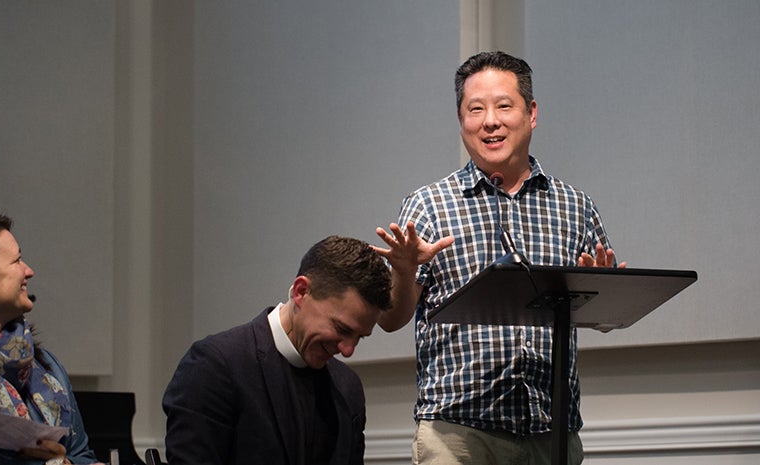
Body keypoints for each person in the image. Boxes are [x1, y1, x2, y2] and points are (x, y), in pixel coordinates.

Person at [373, 51, 626, 465]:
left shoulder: (575, 206)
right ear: (461, 122)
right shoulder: (429, 206)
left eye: (503, 106)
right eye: (475, 109)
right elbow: (391, 318)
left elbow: (600, 320)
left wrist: (597, 293)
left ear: (531, 113)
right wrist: (402, 272)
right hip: (457, 435)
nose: (490, 121)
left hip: (550, 431)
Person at [162, 235, 393, 465]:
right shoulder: (215, 367)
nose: (348, 350)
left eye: (359, 337)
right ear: (301, 292)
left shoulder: (347, 386)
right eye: (341, 329)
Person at [0, 213, 100, 465]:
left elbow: (81, 453)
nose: (29, 271)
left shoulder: (48, 367)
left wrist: (64, 463)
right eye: (17, 260)